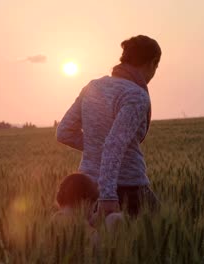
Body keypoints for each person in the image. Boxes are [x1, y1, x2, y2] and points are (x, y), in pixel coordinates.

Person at [56, 35, 161, 220]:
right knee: (160, 238)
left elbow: (64, 132)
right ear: (152, 63)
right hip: (127, 188)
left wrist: (95, 146)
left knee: (94, 247)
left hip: (87, 186)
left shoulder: (92, 87)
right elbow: (113, 145)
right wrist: (108, 195)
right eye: (156, 67)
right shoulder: (135, 96)